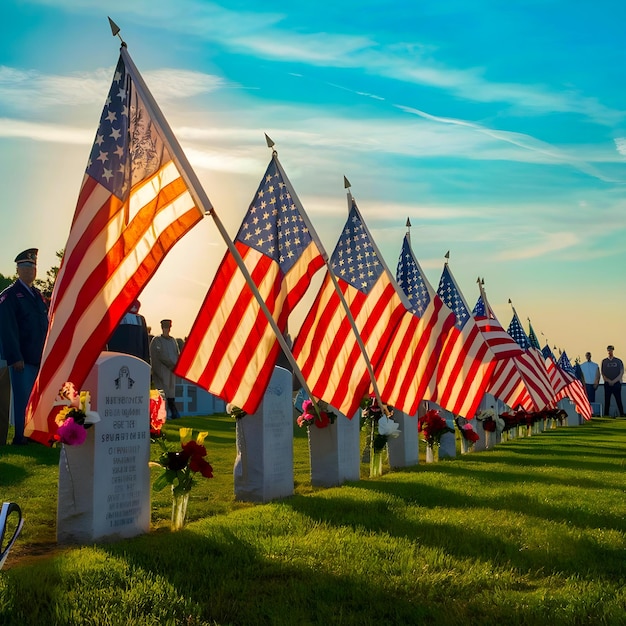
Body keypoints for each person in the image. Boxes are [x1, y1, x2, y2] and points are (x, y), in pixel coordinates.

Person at [0, 249, 49, 444]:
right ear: (18, 269)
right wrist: (15, 357)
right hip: (22, 359)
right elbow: (7, 329)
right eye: (27, 266)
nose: (31, 270)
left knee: (36, 400)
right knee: (23, 401)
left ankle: (35, 434)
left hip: (38, 357)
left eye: (33, 266)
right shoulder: (9, 296)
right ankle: (22, 436)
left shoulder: (38, 296)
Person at [150, 319, 181, 419]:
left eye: (168, 328)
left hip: (172, 371)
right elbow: (160, 355)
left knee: (171, 393)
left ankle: (172, 413)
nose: (167, 330)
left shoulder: (173, 341)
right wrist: (171, 364)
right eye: (165, 328)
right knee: (162, 393)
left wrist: (177, 365)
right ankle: (165, 414)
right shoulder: (157, 340)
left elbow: (177, 354)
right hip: (161, 371)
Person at [601, 345, 624, 417]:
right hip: (607, 384)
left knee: (618, 400)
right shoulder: (604, 361)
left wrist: (614, 381)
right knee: (607, 400)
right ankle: (606, 414)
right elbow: (602, 373)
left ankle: (622, 414)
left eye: (611, 350)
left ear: (613, 350)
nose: (609, 351)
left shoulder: (618, 361)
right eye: (608, 350)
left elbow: (621, 372)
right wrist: (608, 381)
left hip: (616, 383)